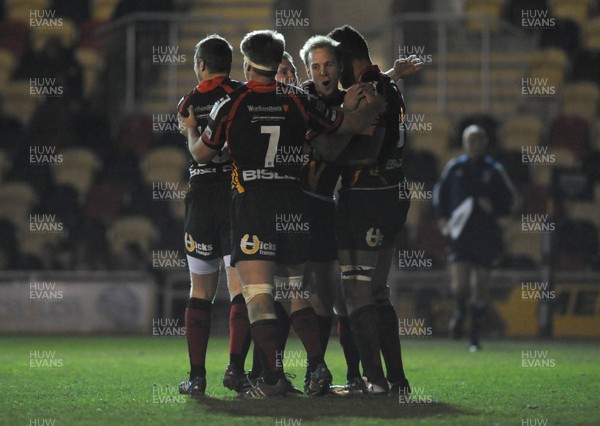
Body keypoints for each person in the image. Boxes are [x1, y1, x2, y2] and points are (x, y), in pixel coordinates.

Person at [179, 29, 385, 398]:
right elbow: (345, 124)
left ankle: (272, 377)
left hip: (252, 206)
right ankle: (318, 364)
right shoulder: (297, 99)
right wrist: (368, 105)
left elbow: (201, 154)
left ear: (247, 63)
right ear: (278, 63)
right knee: (294, 290)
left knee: (258, 294)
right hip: (294, 207)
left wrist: (190, 131)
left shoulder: (234, 102)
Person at [326, 25, 413, 396]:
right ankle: (397, 380)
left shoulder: (369, 92)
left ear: (346, 59)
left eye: (335, 63)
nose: (334, 72)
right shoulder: (387, 84)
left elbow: (366, 150)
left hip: (367, 198)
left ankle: (374, 381)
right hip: (391, 195)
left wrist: (331, 144)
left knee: (357, 292)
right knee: (376, 292)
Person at [176, 35, 251, 396]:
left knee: (200, 289)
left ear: (201, 65)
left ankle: (196, 377)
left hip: (202, 197)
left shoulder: (188, 102)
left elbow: (196, 151)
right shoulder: (242, 95)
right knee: (241, 288)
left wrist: (191, 127)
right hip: (236, 196)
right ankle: (236, 371)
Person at [433, 124, 517, 352]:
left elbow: (509, 199)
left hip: (486, 236)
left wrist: (495, 209)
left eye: (477, 140)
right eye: (469, 141)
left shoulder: (494, 169)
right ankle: (460, 310)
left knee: (480, 287)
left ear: (484, 143)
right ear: (464, 143)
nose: (473, 145)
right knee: (461, 285)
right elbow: (440, 194)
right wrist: (442, 218)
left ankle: (474, 336)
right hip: (460, 235)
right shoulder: (455, 167)